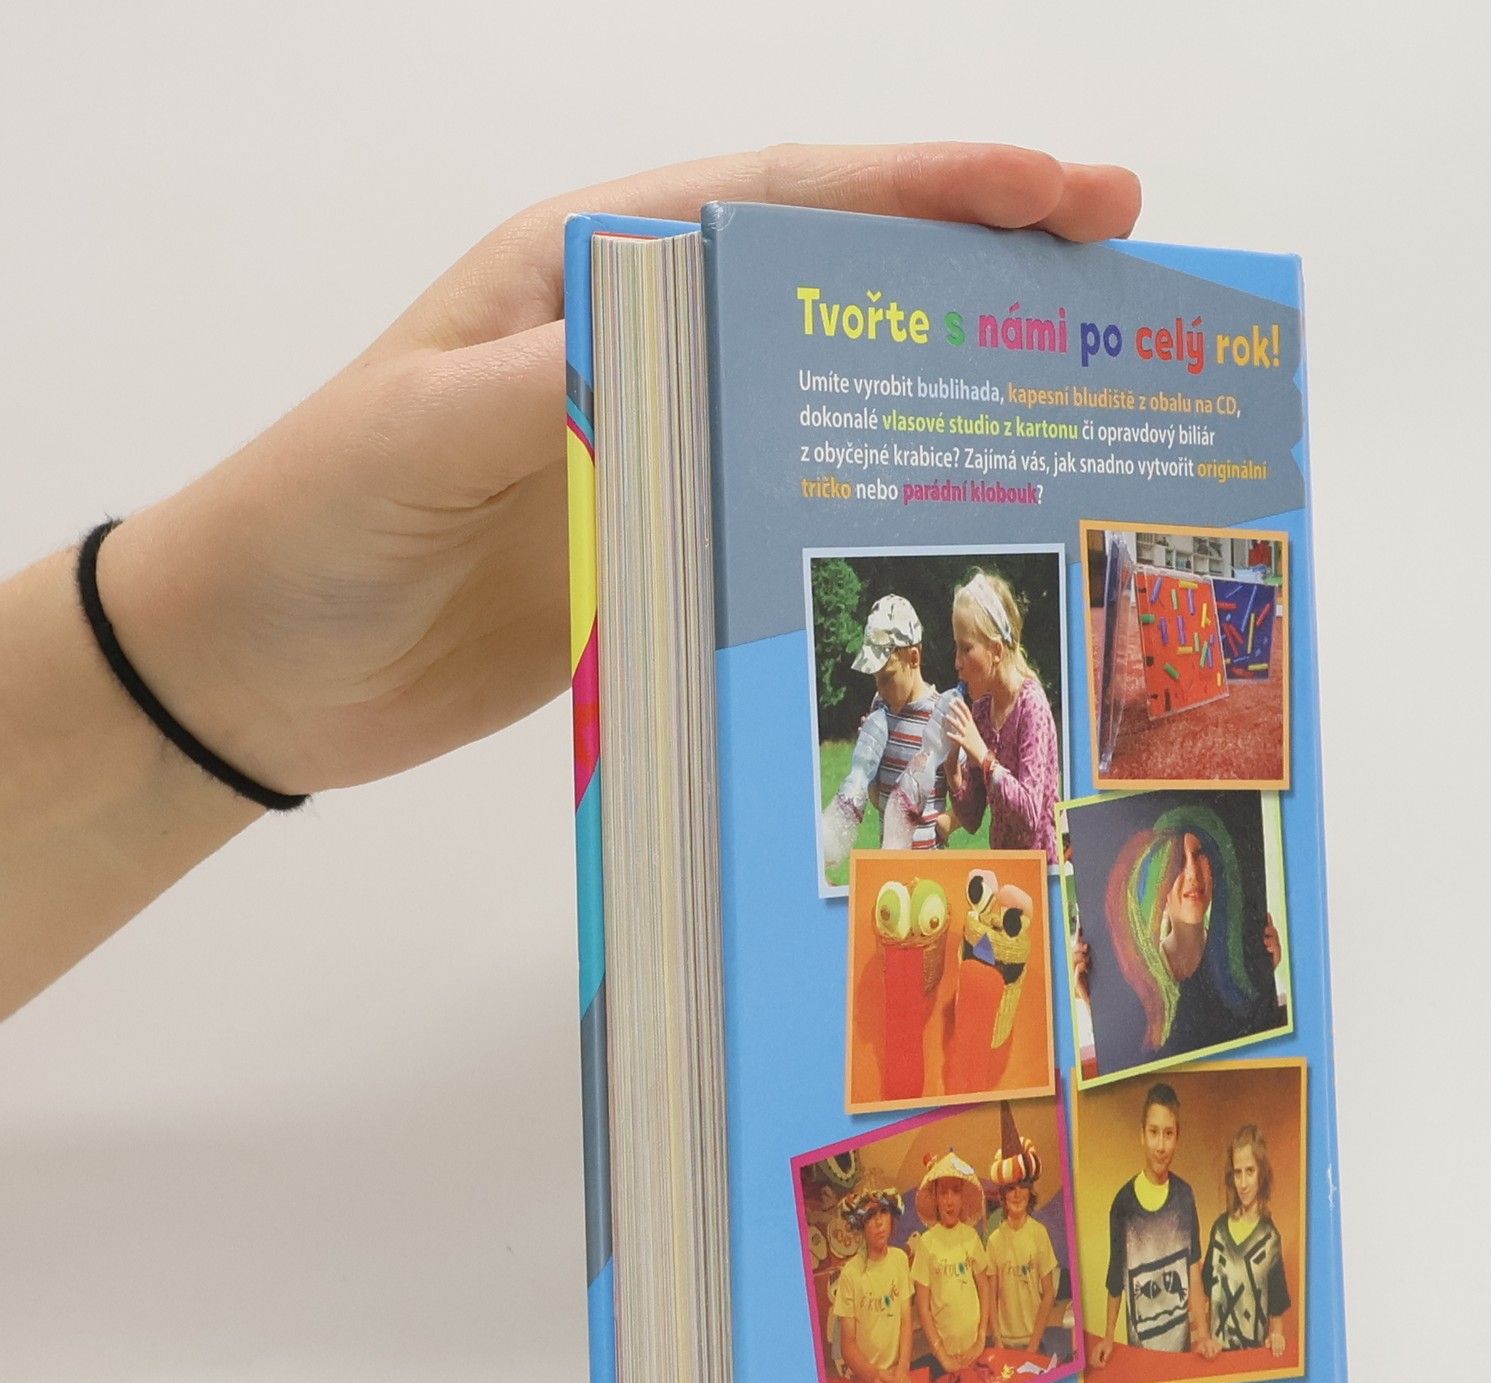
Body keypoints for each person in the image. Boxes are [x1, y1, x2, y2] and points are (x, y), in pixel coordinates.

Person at [0, 143, 1141, 1020]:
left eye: (938, 654)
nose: (913, 674)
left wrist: (957, 782)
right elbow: (877, 797)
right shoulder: (910, 718)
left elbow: (1010, 817)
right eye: (922, 657)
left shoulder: (995, 714)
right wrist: (211, 661)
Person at [1068, 808, 1284, 1075]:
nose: (1192, 873)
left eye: (1199, 854)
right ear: (1156, 883)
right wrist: (1096, 1006)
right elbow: (1135, 1067)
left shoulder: (1235, 970)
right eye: (1177, 861)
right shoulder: (1141, 984)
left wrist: (1264, 975)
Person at [817, 594, 948, 875]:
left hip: (931, 871)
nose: (880, 689)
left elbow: (965, 796)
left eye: (887, 678)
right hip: (889, 866)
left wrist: (949, 823)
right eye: (875, 679)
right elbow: (880, 800)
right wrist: (869, 762)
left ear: (914, 658)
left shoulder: (940, 716)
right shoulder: (880, 706)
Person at [1089, 1081, 1212, 1367]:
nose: (1160, 1145)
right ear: (1141, 1135)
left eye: (1168, 1134)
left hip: (1181, 1357)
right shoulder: (1123, 1205)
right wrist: (1108, 1337)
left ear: (1177, 1138)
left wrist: (1204, 1335)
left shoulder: (1185, 1196)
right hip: (1141, 1358)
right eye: (1153, 1132)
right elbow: (1115, 1277)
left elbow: (1193, 1271)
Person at [943, 571, 1062, 861]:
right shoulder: (982, 711)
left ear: (996, 650)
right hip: (1004, 869)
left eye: (966, 648)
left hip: (1042, 870)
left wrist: (984, 758)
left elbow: (1029, 816)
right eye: (956, 648)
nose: (957, 662)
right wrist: (952, 768)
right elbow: (972, 818)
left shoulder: (1031, 706)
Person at [1203, 1124, 1291, 1357]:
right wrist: (1204, 1339)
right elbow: (1205, 1294)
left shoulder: (1270, 1240)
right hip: (1216, 1361)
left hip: (1250, 1361)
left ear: (1262, 1173)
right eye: (1237, 1172)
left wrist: (1277, 1336)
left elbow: (1277, 1310)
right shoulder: (1219, 1231)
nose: (1242, 1183)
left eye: (1250, 1171)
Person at [910, 1149, 992, 1375]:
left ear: (962, 1196)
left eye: (955, 1192)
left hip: (975, 1346)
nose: (949, 1201)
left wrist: (981, 1338)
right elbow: (923, 1307)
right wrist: (941, 1354)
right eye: (943, 1193)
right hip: (944, 1353)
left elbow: (984, 1287)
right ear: (935, 1198)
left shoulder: (971, 1237)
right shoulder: (926, 1243)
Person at [829, 1189, 915, 1383]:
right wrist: (871, 1375)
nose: (879, 1222)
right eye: (870, 1216)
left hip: (897, 1371)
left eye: (883, 1212)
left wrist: (903, 1366)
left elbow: (906, 1321)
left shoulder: (899, 1260)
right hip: (865, 1377)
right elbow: (847, 1345)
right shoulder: (850, 1275)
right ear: (860, 1223)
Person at [984, 1166, 1060, 1355]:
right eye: (1011, 1188)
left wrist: (1033, 1345)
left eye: (1022, 1187)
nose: (1017, 1194)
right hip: (1004, 1343)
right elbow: (991, 1297)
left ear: (1030, 1191)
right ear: (1003, 1195)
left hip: (1034, 1341)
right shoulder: (994, 1241)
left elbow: (1049, 1293)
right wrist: (998, 1341)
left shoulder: (1039, 1233)